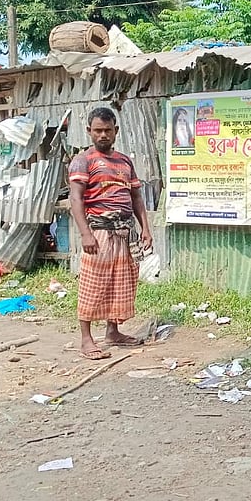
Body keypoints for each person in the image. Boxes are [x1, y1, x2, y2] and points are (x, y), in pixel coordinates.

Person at [69, 107, 154, 360]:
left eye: (108, 130)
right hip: (99, 232)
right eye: (98, 130)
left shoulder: (125, 161)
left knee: (121, 282)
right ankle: (86, 339)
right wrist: (86, 234)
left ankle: (113, 331)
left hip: (125, 231)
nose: (103, 135)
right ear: (89, 132)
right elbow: (76, 198)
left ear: (116, 131)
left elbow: (136, 196)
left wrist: (145, 229)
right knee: (93, 284)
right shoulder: (83, 160)